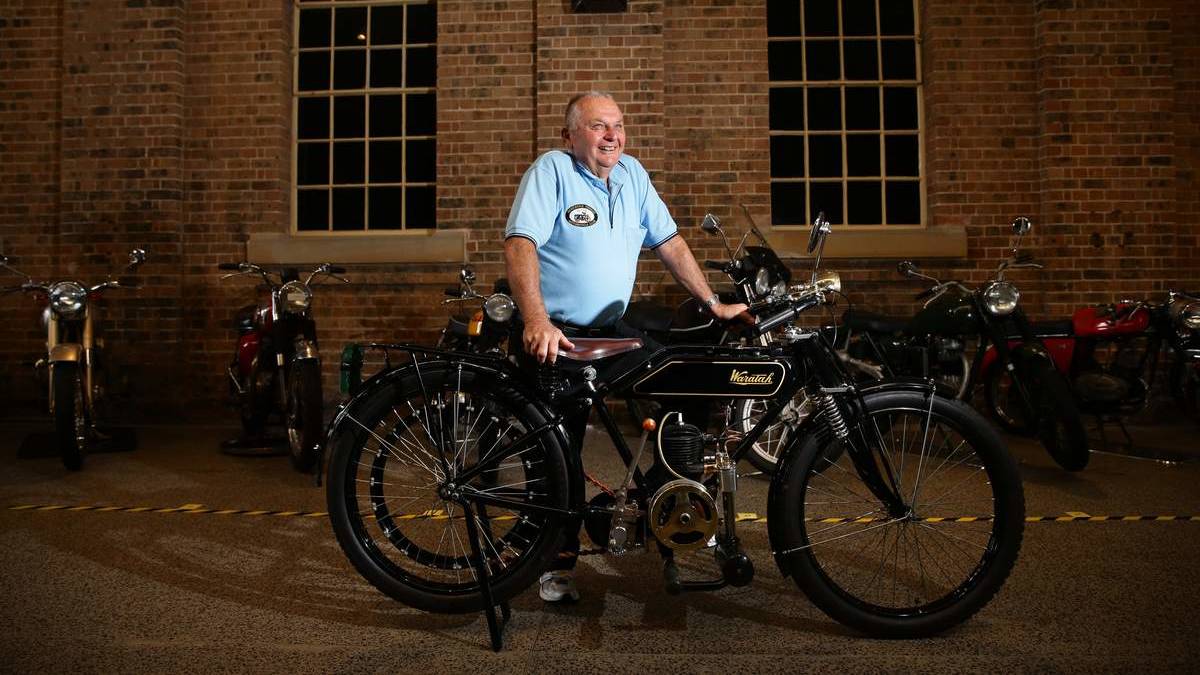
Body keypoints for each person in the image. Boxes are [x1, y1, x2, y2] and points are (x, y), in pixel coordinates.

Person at [503, 91, 749, 603]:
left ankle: (658, 498)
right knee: (559, 453)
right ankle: (556, 566)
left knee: (683, 377)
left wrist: (711, 303)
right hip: (558, 333)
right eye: (597, 126)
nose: (612, 135)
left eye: (617, 125)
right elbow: (520, 242)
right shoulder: (551, 171)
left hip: (609, 329)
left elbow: (670, 243)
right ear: (570, 135)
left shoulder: (633, 174)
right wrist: (537, 319)